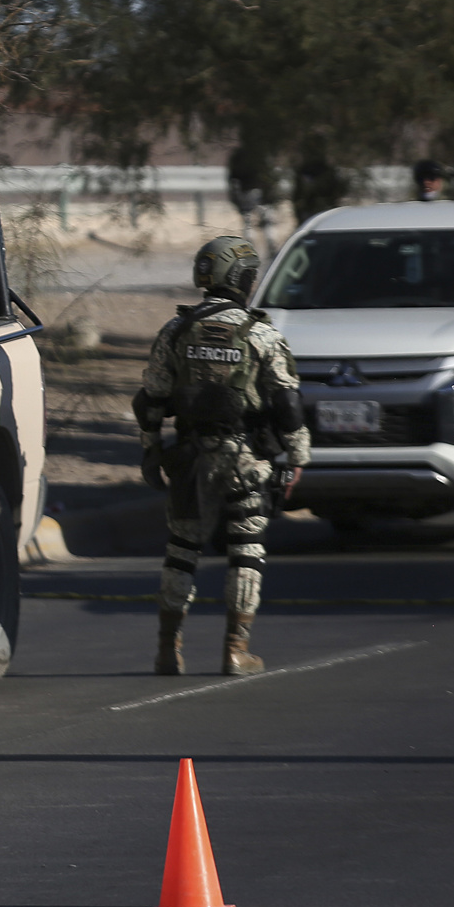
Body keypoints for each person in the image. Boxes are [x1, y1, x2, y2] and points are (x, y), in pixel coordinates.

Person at [134, 236, 311, 676]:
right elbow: (287, 406)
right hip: (244, 463)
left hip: (191, 460)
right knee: (246, 550)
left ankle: (166, 650)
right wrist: (299, 455)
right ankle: (236, 649)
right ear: (243, 279)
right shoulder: (263, 334)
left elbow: (150, 401)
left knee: (181, 550)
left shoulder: (176, 331)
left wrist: (152, 453)